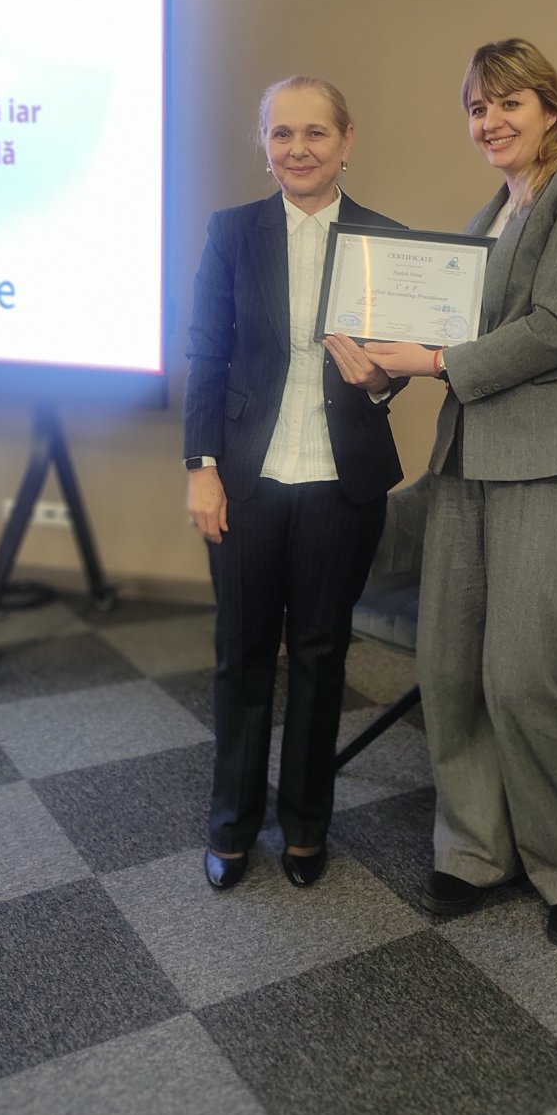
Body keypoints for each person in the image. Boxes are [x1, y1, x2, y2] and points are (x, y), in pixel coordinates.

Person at [365, 37, 557, 950]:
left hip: (551, 458)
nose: (490, 121)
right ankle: (475, 848)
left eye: (508, 102)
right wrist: (387, 364)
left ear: (548, 108)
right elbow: (446, 332)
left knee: (523, 674)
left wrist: (434, 361)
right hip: (466, 458)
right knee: (449, 668)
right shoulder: (488, 215)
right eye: (477, 108)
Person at [183, 75, 405, 893]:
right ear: (264, 144)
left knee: (320, 656)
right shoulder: (232, 231)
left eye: (315, 132)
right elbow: (206, 354)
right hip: (246, 478)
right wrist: (200, 468)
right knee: (241, 656)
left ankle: (306, 824)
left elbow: (398, 365)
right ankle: (232, 824)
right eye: (282, 133)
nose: (298, 149)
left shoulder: (387, 241)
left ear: (347, 141)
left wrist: (380, 380)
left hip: (342, 484)